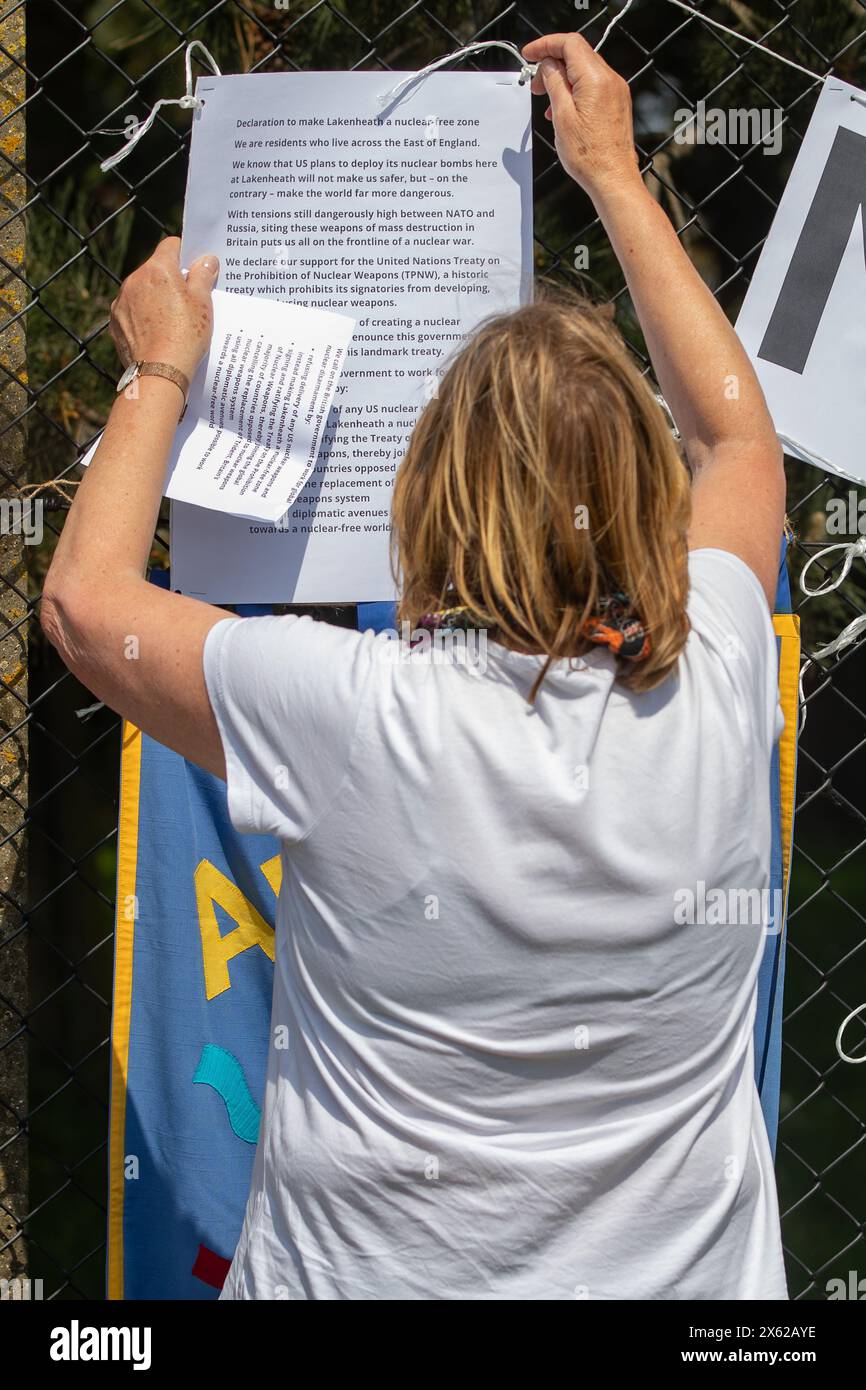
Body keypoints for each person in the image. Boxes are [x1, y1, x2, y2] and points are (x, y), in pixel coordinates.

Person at [42, 32, 788, 1300]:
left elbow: (82, 603)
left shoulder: (353, 717)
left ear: (429, 494)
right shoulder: (715, 672)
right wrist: (610, 168)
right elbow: (732, 430)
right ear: (636, 495)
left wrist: (159, 363)